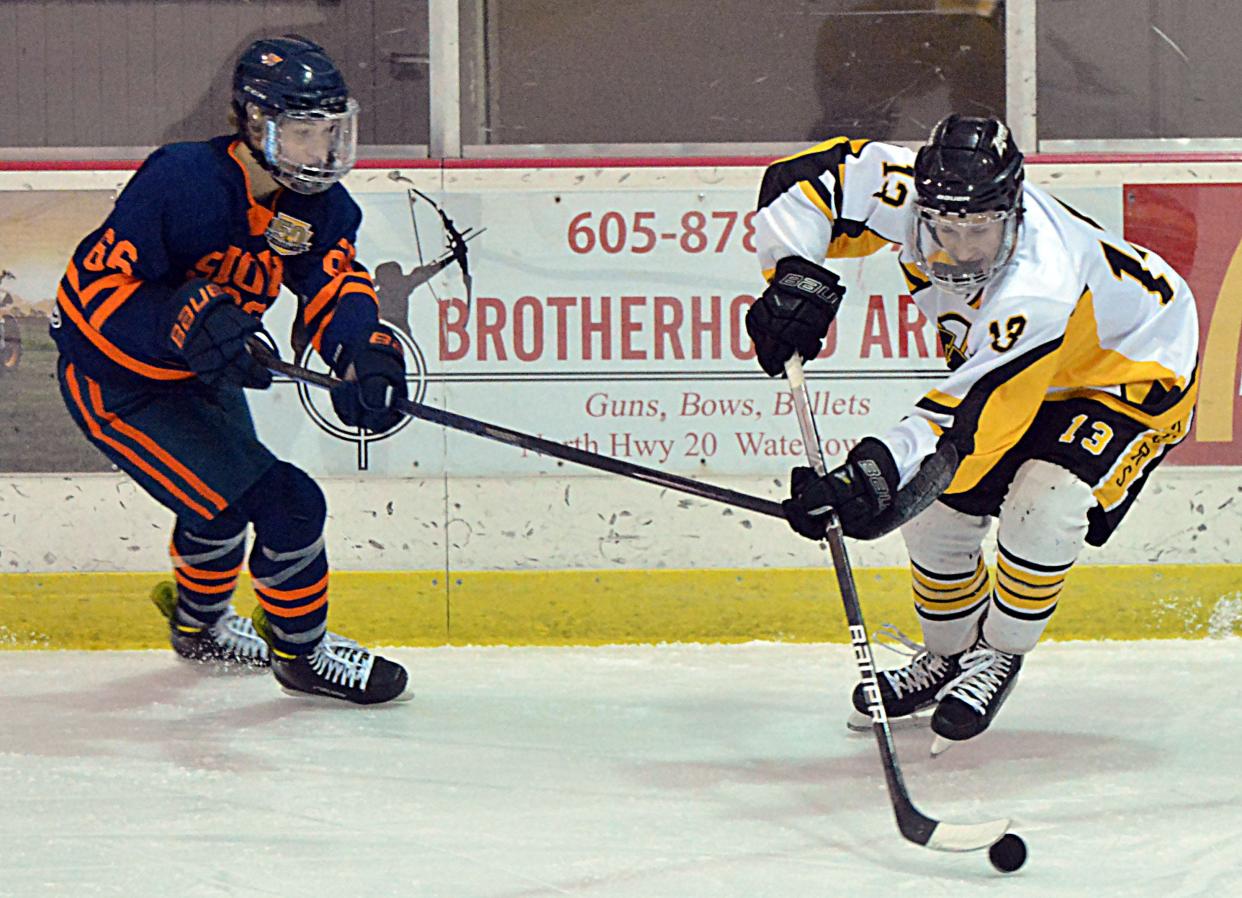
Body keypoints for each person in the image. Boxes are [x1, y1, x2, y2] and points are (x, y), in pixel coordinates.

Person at [745, 115, 1199, 750]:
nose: (961, 247)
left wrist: (866, 478)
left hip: (1129, 366)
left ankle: (999, 653)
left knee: (1044, 506)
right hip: (1021, 369)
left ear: (1011, 213)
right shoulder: (904, 194)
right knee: (933, 517)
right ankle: (948, 656)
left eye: (980, 229)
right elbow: (803, 181)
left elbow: (967, 422)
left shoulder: (1038, 283)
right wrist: (795, 275)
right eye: (945, 227)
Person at [50, 35, 412, 705]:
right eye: (301, 132)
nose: (320, 151)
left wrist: (365, 351)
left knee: (215, 510)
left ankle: (199, 628)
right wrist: (184, 317)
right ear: (251, 124)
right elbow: (90, 296)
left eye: (329, 132)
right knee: (289, 504)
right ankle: (303, 656)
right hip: (118, 387)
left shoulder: (321, 207)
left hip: (200, 374)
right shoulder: (182, 181)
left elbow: (334, 283)